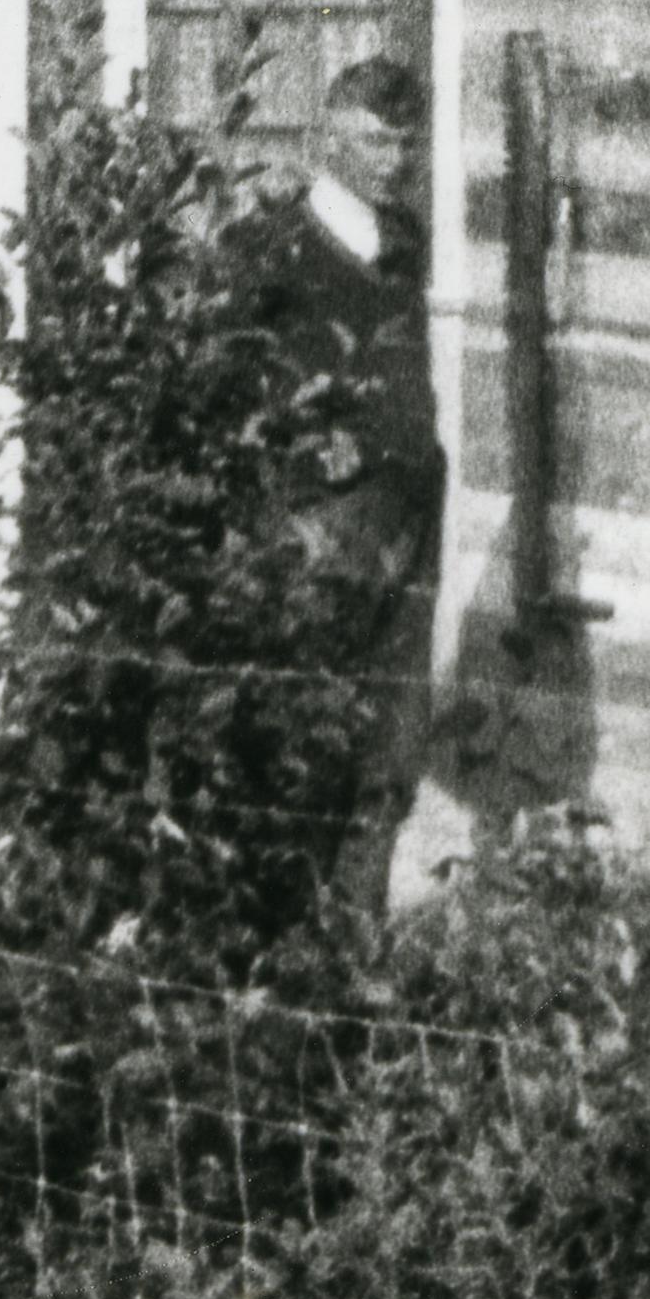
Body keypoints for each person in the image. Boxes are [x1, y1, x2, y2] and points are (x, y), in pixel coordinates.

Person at [224, 54, 448, 916]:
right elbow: (231, 383)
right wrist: (304, 452)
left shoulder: (406, 244)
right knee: (307, 737)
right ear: (327, 136)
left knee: (388, 746)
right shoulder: (267, 249)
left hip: (409, 527)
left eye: (405, 142)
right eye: (375, 139)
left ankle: (355, 947)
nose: (393, 160)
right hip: (316, 532)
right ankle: (285, 936)